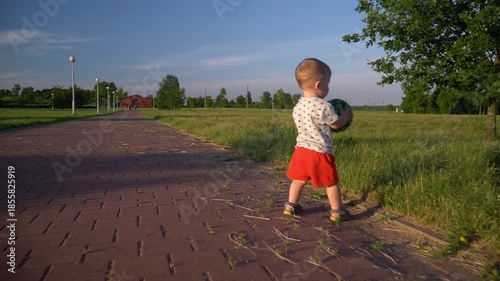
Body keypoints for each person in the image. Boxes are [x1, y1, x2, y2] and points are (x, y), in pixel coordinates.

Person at [284, 58, 353, 223]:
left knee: (299, 179)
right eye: (328, 83)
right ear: (319, 85)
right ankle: (336, 212)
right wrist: (345, 116)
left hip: (300, 150)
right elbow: (336, 125)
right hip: (320, 152)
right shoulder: (323, 106)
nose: (328, 87)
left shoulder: (298, 106)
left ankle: (290, 206)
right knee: (331, 183)